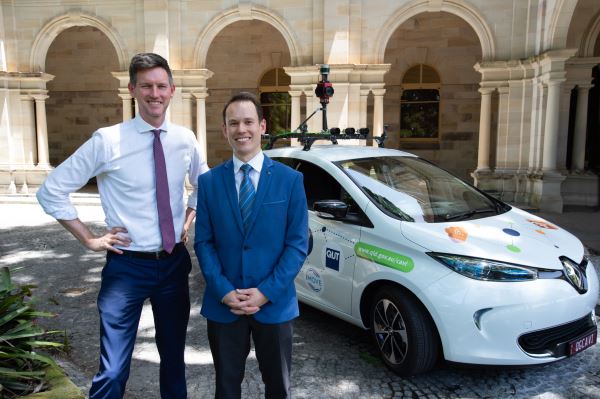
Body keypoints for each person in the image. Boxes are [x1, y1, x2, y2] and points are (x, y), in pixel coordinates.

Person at [36, 52, 208, 399]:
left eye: (161, 86)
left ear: (172, 90)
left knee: (174, 361)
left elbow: (204, 187)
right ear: (132, 89)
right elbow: (51, 190)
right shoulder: (108, 140)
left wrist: (186, 220)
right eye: (146, 86)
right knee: (113, 370)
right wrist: (89, 239)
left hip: (173, 265)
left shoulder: (184, 139)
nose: (154, 93)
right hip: (126, 267)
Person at [194, 92, 308, 399]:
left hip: (274, 303)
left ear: (262, 126)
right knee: (226, 387)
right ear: (224, 130)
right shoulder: (208, 183)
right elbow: (204, 243)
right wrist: (224, 291)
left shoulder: (290, 180)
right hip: (224, 305)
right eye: (233, 123)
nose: (241, 129)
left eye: (247, 122)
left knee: (278, 387)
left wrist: (265, 292)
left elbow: (297, 245)